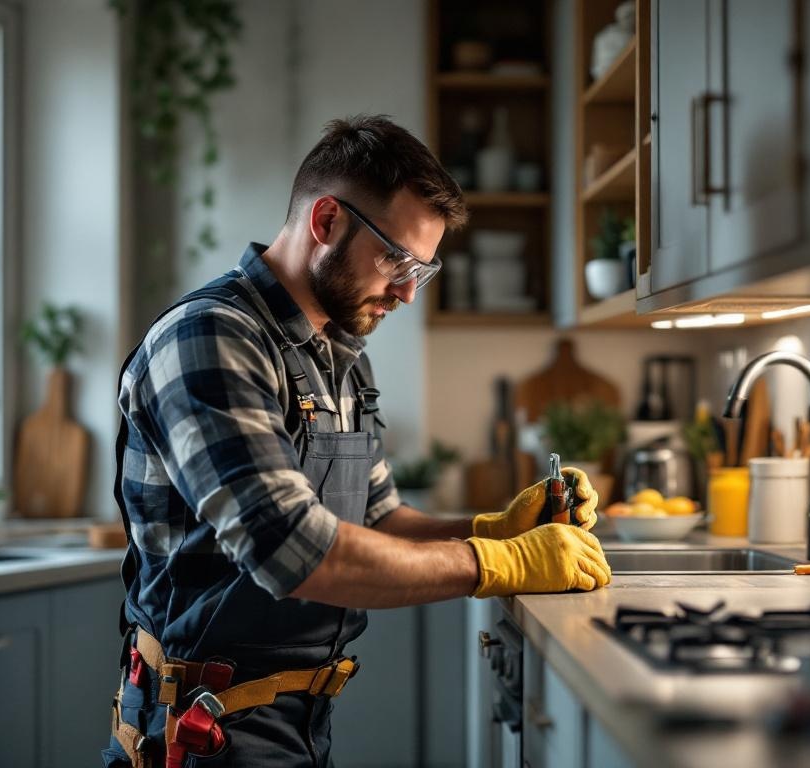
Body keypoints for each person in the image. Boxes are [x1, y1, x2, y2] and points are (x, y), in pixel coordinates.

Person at [104, 114, 611, 768]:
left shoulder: (341, 357)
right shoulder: (210, 339)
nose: (406, 291)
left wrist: (492, 529)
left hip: (297, 724)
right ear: (325, 223)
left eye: (421, 270)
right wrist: (496, 565)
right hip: (199, 731)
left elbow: (377, 520)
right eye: (397, 259)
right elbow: (292, 551)